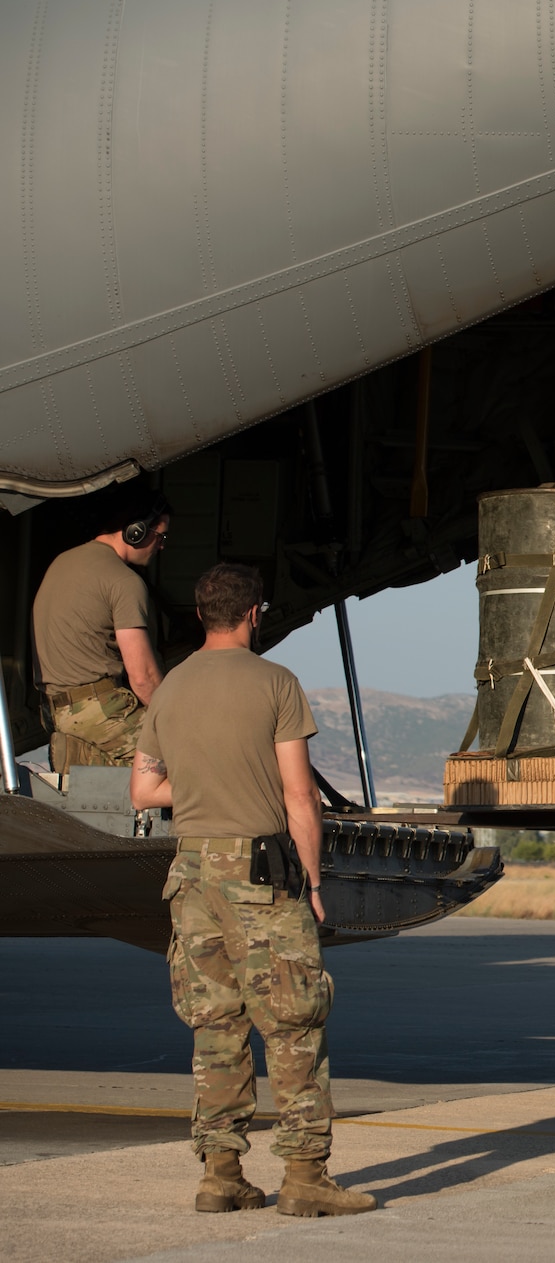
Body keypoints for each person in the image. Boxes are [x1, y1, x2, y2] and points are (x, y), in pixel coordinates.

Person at [129, 563, 376, 1218]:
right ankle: (304, 1175)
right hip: (258, 874)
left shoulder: (171, 689)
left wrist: (207, 785)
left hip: (190, 875)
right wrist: (315, 880)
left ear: (204, 612)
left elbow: (144, 790)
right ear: (254, 612)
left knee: (215, 1025)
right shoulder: (276, 683)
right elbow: (300, 796)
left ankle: (221, 1172)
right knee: (294, 1020)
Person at [33, 490, 171, 772]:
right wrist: (174, 723)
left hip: (55, 711)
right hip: (100, 710)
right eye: (161, 536)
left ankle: (82, 755)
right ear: (136, 531)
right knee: (187, 756)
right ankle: (89, 759)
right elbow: (143, 678)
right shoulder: (123, 581)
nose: (161, 546)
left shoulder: (62, 562)